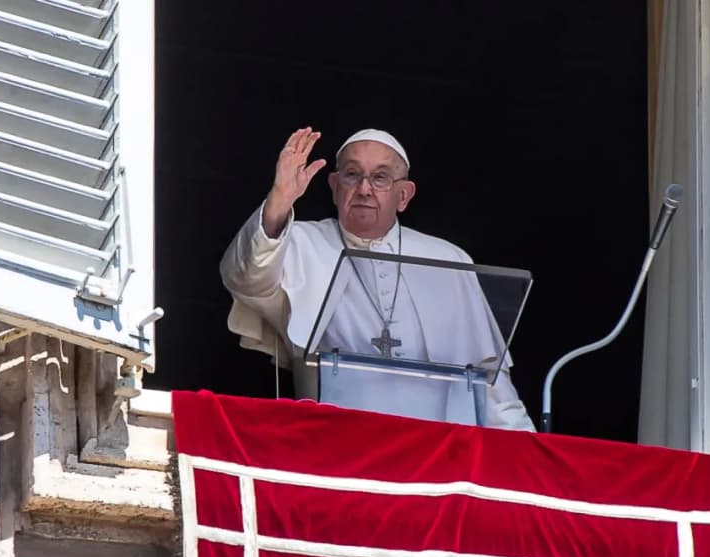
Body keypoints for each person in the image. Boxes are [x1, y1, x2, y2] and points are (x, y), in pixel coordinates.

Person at [220, 127, 535, 431]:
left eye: (380, 177)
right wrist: (280, 199)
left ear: (404, 195)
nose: (365, 188)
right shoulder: (299, 243)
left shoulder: (448, 260)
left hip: (439, 455)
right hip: (334, 445)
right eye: (352, 175)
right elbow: (246, 277)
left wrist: (527, 457)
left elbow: (490, 387)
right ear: (333, 186)